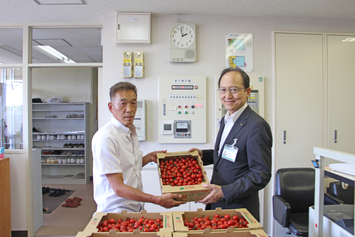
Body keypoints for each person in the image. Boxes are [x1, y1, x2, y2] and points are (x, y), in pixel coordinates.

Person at [190, 67, 272, 221]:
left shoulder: (256, 126)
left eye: (234, 89)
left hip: (238, 209)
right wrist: (203, 155)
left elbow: (261, 174)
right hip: (218, 204)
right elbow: (228, 154)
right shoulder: (226, 120)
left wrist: (225, 191)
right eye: (223, 90)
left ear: (248, 91)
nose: (227, 96)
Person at [92, 81, 185, 213]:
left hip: (135, 208)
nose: (129, 109)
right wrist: (157, 200)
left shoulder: (131, 131)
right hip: (115, 211)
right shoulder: (106, 138)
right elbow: (117, 187)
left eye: (133, 103)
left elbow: (128, 167)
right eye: (123, 103)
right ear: (111, 107)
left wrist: (147, 158)